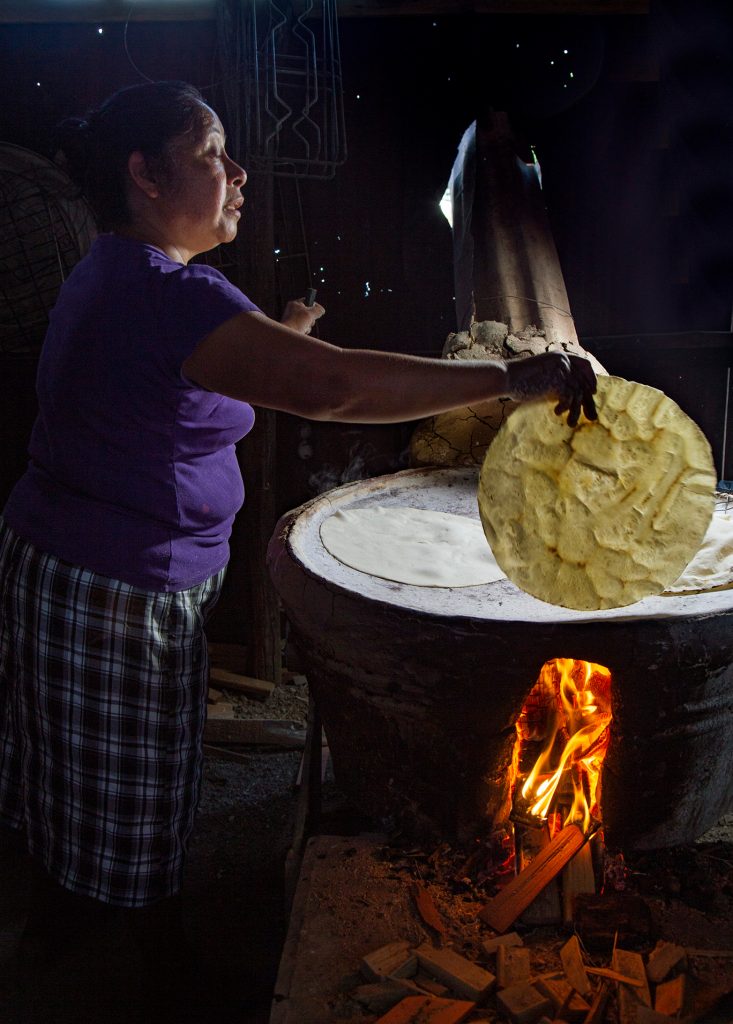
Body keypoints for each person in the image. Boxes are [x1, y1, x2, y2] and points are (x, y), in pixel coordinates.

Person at [0, 80, 596, 1012]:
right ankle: (148, 974)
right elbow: (328, 392)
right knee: (129, 794)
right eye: (211, 154)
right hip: (108, 585)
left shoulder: (133, 272)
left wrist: (287, 335)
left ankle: (66, 929)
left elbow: (219, 371)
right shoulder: (164, 292)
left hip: (96, 568)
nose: (237, 173)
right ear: (145, 176)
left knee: (89, 774)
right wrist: (510, 377)